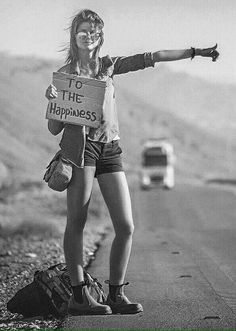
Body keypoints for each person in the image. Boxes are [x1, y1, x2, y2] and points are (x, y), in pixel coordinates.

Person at [45, 9, 219, 315]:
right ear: (75, 36)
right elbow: (54, 129)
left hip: (110, 149)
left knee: (126, 225)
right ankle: (79, 297)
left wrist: (194, 52)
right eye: (84, 32)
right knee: (77, 221)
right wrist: (52, 102)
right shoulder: (66, 75)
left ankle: (115, 294)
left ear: (100, 36)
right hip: (80, 151)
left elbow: (152, 57)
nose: (90, 37)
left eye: (95, 32)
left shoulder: (108, 66)